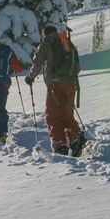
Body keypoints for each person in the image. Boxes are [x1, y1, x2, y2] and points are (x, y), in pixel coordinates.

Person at [26, 23, 85, 156]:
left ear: (44, 35)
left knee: (52, 116)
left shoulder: (46, 44)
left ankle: (60, 145)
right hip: (71, 83)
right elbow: (77, 67)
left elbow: (37, 63)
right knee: (67, 114)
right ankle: (75, 139)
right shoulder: (67, 43)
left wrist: (30, 77)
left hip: (54, 85)